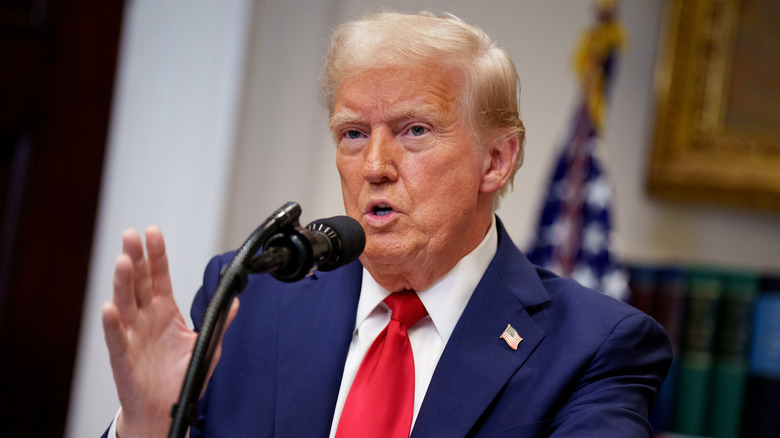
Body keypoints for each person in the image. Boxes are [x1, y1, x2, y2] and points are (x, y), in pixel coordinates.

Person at [101, 12, 671, 437]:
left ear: (496, 160)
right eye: (352, 133)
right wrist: (148, 425)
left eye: (415, 130)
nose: (374, 166)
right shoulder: (248, 297)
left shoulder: (595, 348)